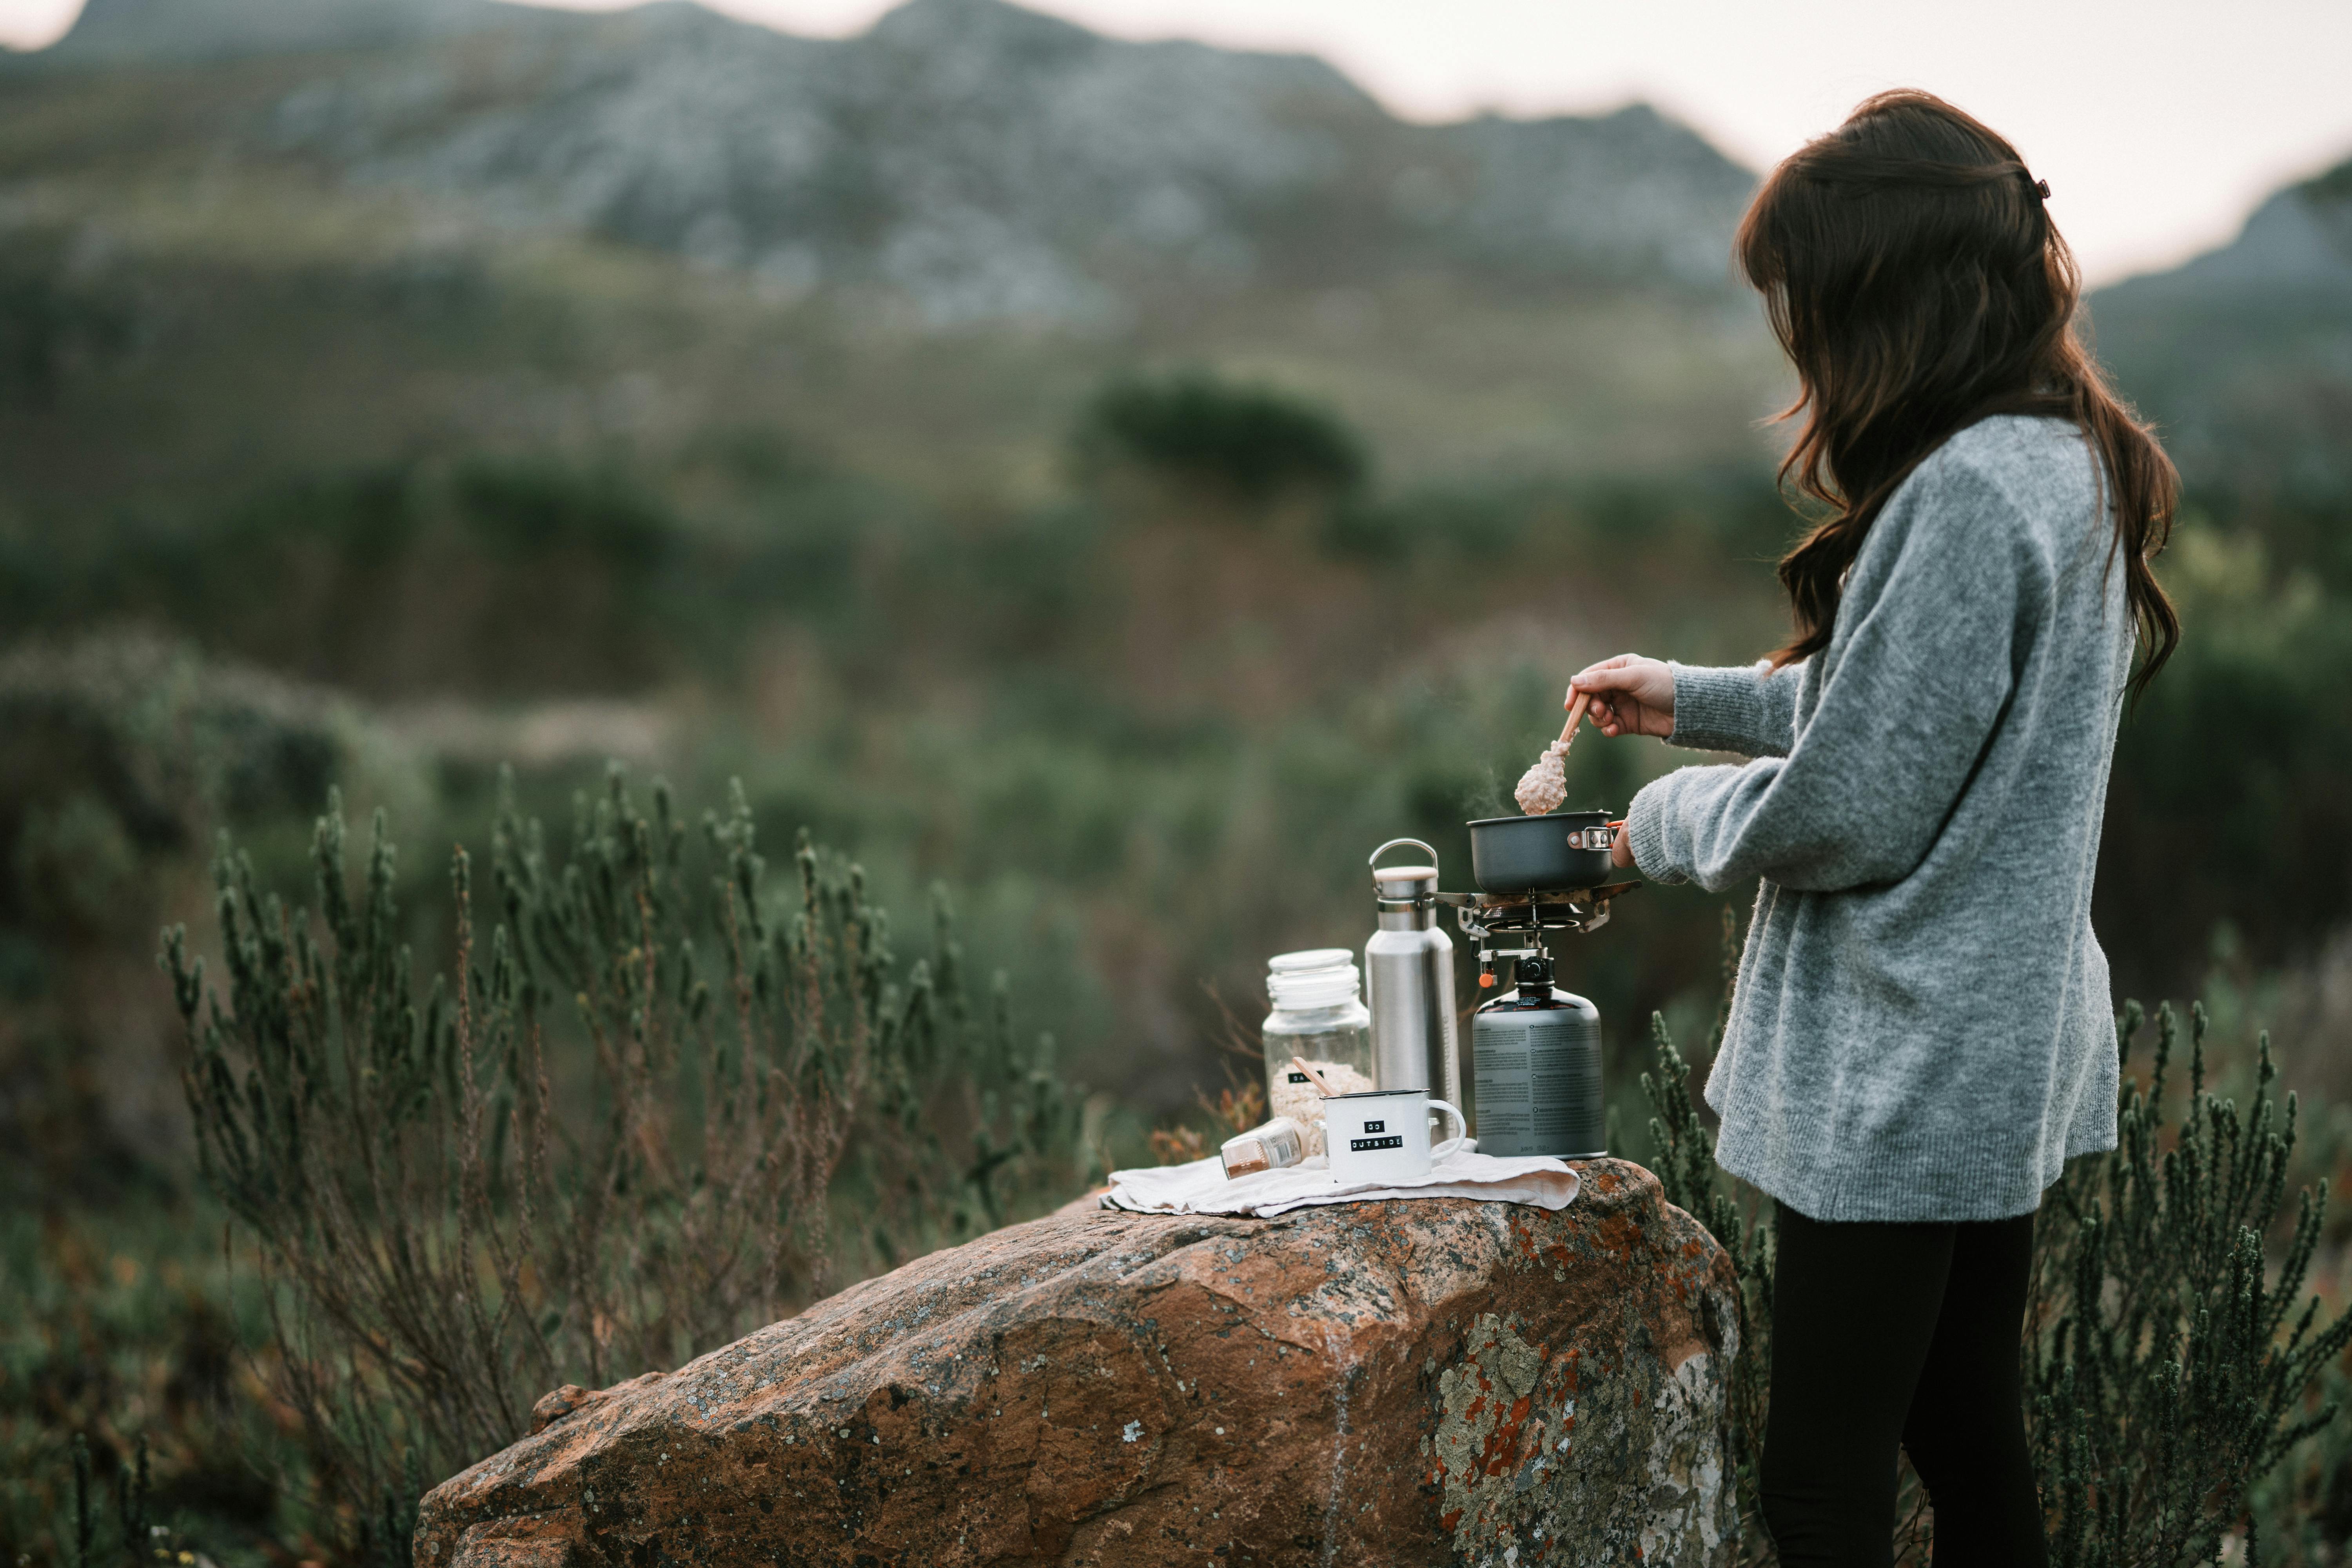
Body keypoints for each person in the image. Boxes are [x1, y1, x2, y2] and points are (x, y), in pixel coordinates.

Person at [1568, 90, 2178, 1567]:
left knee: (1821, 1488)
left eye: (1807, 299)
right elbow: (1915, 704)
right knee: (1968, 1443)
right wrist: (1696, 699)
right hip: (1999, 1035)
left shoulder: (1968, 488)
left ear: (1883, 293)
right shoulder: (2064, 456)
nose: (1798, 335)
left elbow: (1854, 807)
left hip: (1909, 1059)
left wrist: (1662, 820)